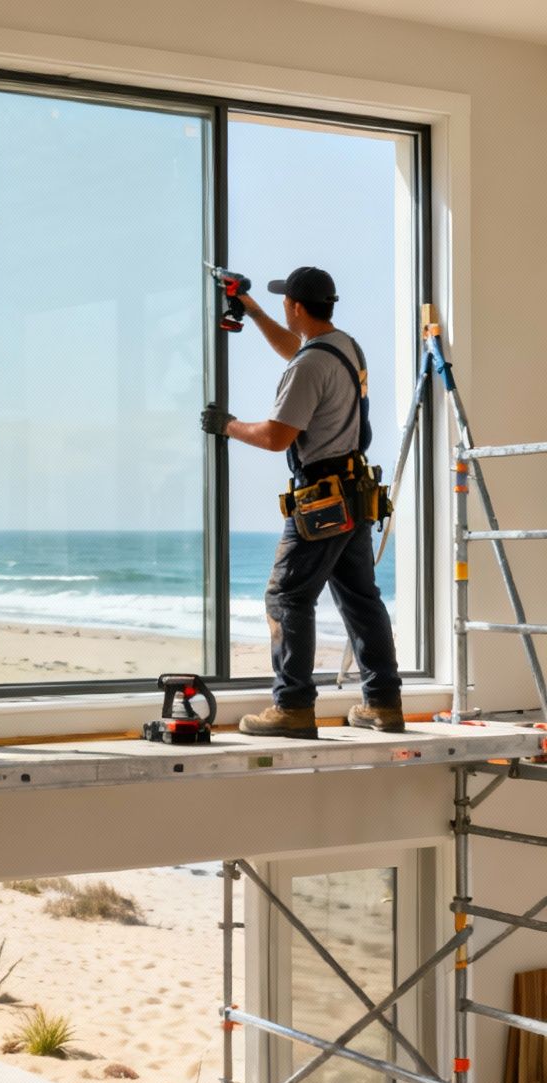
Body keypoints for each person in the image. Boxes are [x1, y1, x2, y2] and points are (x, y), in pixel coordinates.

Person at [200, 265, 404, 738]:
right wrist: (250, 310)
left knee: (287, 595)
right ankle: (383, 703)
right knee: (360, 598)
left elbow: (276, 437)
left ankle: (292, 707)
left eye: (282, 303)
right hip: (355, 494)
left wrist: (226, 425)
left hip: (323, 500)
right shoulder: (344, 347)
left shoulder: (309, 366)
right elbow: (296, 348)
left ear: (295, 305)